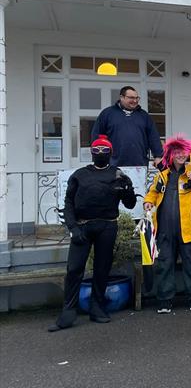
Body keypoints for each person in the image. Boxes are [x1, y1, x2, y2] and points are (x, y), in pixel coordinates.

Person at [48, 136, 137, 331]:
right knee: (74, 269)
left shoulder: (117, 174)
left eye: (104, 151)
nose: (100, 154)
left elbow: (130, 204)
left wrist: (128, 189)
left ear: (110, 153)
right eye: (96, 151)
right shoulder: (80, 175)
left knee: (102, 268)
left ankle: (97, 308)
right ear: (91, 153)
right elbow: (68, 203)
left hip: (107, 226)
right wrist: (72, 227)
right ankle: (68, 312)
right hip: (82, 227)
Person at [143, 134, 191, 313]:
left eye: (183, 151)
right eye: (176, 152)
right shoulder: (163, 175)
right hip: (165, 229)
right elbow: (152, 193)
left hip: (190, 229)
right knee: (164, 264)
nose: (180, 155)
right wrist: (147, 201)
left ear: (189, 153)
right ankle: (164, 300)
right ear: (170, 154)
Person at [91, 86, 163, 167]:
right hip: (113, 164)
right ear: (122, 97)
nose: (135, 100)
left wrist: (158, 156)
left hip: (139, 163)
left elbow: (153, 137)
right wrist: (97, 158)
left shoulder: (144, 116)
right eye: (131, 98)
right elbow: (97, 136)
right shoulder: (107, 114)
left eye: (137, 98)